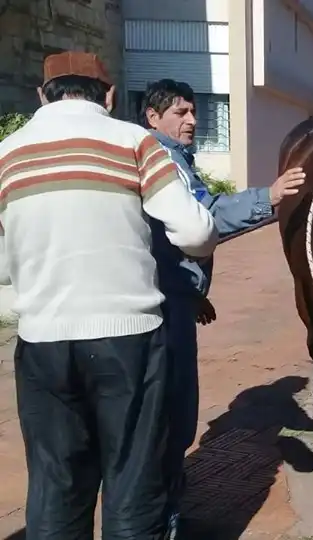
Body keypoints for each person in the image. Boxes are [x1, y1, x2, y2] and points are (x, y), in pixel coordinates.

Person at [0, 52, 218, 539]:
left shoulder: (8, 153)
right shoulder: (135, 142)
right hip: (130, 340)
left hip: (43, 342)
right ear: (111, 96)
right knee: (133, 487)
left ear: (42, 95)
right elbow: (195, 233)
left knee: (56, 489)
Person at [136, 78, 304, 536]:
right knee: (169, 415)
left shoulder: (165, 157)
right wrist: (267, 198)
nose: (192, 120)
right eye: (181, 112)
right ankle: (162, 520)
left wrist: (190, 293)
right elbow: (201, 222)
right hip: (161, 311)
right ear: (153, 117)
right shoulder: (161, 159)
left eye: (194, 112)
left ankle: (165, 510)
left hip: (170, 298)